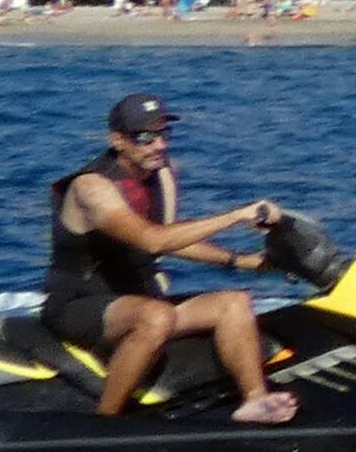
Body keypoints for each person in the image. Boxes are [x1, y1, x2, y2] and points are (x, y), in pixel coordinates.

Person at [46, 92, 296, 424]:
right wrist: (235, 216)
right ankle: (106, 421)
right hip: (80, 304)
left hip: (136, 297)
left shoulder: (160, 174)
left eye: (164, 134)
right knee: (156, 317)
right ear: (117, 141)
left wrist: (242, 261)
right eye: (145, 137)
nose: (158, 145)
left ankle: (254, 400)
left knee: (234, 303)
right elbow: (152, 241)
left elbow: (170, 238)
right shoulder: (92, 188)